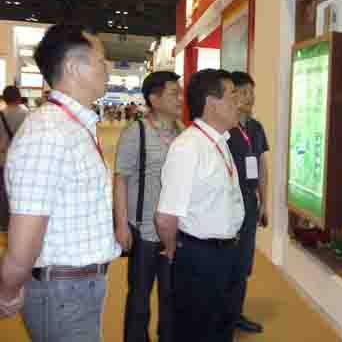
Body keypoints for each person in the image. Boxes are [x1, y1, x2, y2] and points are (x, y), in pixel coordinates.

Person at [0, 24, 121, 342]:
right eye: (101, 60)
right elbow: (25, 234)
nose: (108, 67)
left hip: (77, 288)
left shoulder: (72, 126)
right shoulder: (48, 133)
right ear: (73, 67)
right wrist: (8, 290)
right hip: (62, 293)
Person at [155, 69, 244, 342]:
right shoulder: (188, 147)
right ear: (211, 103)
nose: (239, 102)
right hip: (199, 257)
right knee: (195, 331)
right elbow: (166, 217)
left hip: (227, 253)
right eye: (232, 95)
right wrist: (174, 249)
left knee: (221, 327)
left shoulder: (220, 142)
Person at [114, 71, 183, 342]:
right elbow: (121, 179)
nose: (180, 98)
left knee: (171, 297)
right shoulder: (137, 132)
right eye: (173, 93)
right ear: (154, 99)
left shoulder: (183, 132)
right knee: (140, 298)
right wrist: (122, 225)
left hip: (175, 232)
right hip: (144, 231)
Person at [227, 71, 269, 334]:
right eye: (243, 92)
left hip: (249, 202)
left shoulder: (256, 128)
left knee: (243, 262)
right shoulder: (225, 129)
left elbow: (262, 166)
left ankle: (235, 313)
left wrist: (264, 201)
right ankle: (220, 315)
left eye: (252, 92)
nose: (249, 97)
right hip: (228, 202)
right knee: (226, 260)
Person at [0, 85, 28, 232]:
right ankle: (18, 225)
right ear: (18, 97)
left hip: (3, 159)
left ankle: (3, 223)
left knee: (3, 192)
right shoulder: (27, 114)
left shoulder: (1, 114)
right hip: (22, 161)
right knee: (21, 192)